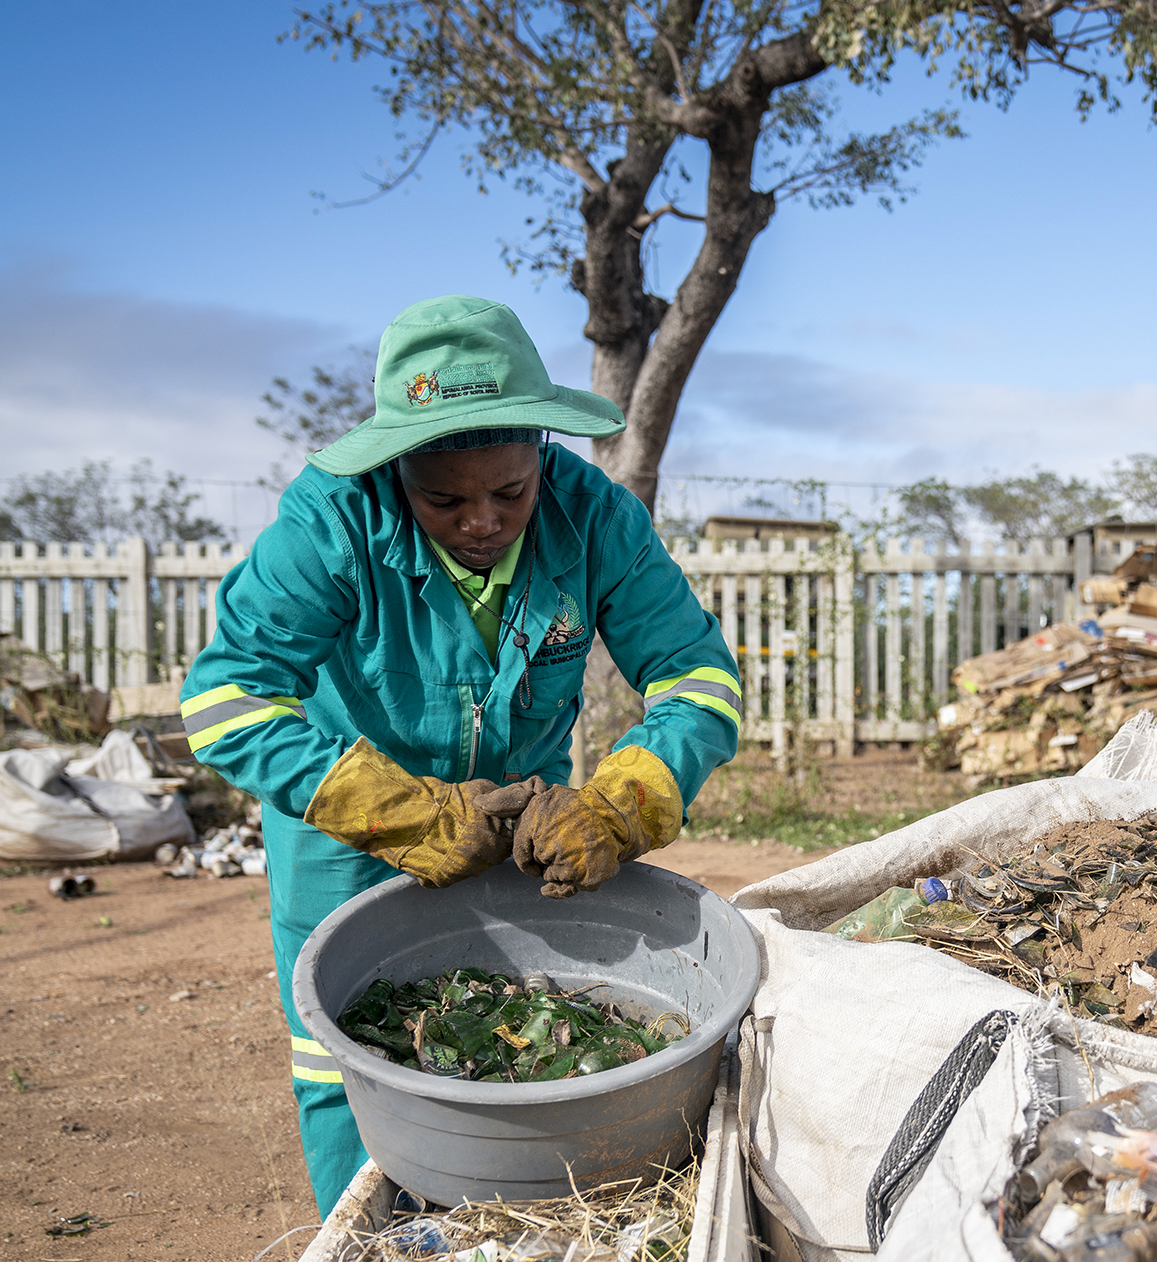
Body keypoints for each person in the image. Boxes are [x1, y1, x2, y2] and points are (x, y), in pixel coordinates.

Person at [181, 295, 741, 1215]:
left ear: (542, 451)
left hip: (527, 833)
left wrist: (619, 803)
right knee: (348, 1061)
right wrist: (401, 814)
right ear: (397, 465)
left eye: (509, 492)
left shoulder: (595, 516)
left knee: (522, 1038)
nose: (481, 519)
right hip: (345, 837)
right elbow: (226, 698)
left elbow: (697, 677)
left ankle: (515, 1237)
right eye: (443, 498)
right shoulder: (332, 520)